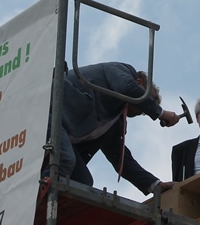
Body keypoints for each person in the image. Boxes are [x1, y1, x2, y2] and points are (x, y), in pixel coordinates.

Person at [55, 61, 180, 194]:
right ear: (139, 83)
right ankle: (37, 197)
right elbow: (126, 88)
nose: (142, 111)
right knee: (66, 160)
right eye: (149, 99)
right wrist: (160, 112)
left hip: (61, 134)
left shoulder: (113, 123)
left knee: (82, 182)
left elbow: (121, 159)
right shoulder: (121, 70)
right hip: (50, 111)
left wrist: (154, 185)